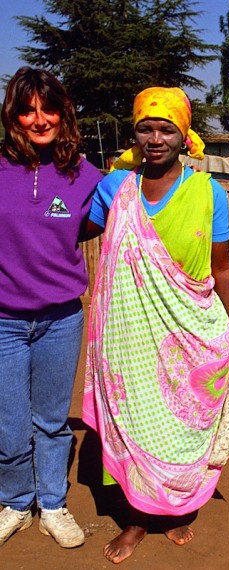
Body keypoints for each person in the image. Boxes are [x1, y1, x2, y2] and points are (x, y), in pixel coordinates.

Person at [81, 86, 229, 564]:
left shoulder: (207, 191)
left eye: (166, 129)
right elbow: (72, 231)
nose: (155, 138)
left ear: (184, 136)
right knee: (137, 426)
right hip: (130, 336)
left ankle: (177, 505)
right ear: (134, 132)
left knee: (182, 428)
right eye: (146, 128)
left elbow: (223, 269)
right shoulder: (116, 188)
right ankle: (139, 518)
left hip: (192, 333)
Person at [0, 67, 103, 548]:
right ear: (13, 116)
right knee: (9, 421)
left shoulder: (85, 175)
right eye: (27, 109)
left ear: (64, 113)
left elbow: (115, 219)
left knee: (52, 420)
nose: (39, 119)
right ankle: (17, 503)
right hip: (4, 322)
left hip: (62, 319)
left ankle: (53, 505)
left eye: (48, 108)